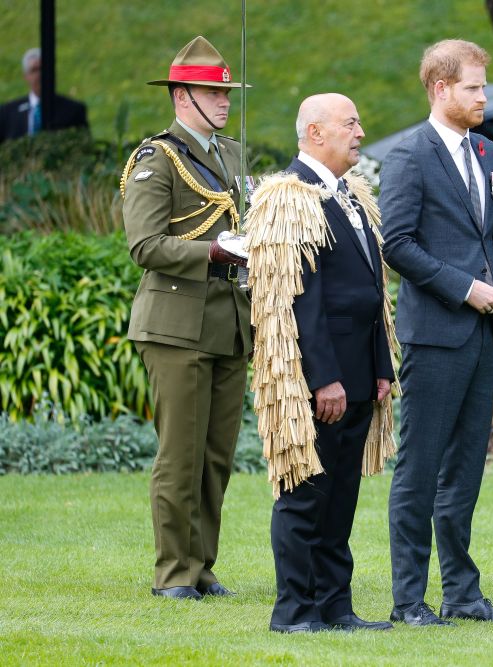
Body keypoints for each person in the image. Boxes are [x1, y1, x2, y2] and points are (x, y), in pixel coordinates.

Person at [379, 39, 493, 626]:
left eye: (484, 87)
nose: (484, 97)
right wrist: (468, 288)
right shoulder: (409, 156)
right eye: (473, 87)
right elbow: (397, 245)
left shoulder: (488, 151)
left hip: (482, 336)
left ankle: (462, 594)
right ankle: (409, 601)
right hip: (435, 335)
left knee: (465, 469)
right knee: (420, 470)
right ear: (441, 88)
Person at [121, 36, 251, 601]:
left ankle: (201, 565)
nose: (223, 101)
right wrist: (213, 254)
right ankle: (173, 572)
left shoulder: (231, 155)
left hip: (228, 319)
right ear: (180, 96)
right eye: (210, 91)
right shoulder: (156, 158)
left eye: (225, 91)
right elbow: (145, 245)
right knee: (180, 453)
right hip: (177, 324)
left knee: (216, 456)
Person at [264, 93, 395, 634]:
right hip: (319, 380)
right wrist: (325, 379)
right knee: (305, 495)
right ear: (316, 133)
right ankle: (294, 611)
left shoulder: (350, 195)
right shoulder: (290, 197)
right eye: (350, 123)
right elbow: (299, 300)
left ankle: (335, 607)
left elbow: (373, 288)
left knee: (341, 499)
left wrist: (382, 366)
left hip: (361, 373)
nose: (360, 132)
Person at [0, 47, 88, 142]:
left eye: (43, 69)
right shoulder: (8, 113)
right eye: (34, 70)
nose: (39, 75)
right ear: (26, 76)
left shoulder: (73, 110)